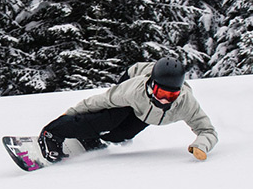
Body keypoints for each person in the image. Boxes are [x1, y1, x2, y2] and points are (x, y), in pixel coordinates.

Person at [38, 57, 218, 163]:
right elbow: (100, 101)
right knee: (109, 118)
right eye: (160, 92)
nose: (164, 99)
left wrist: (200, 146)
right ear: (152, 86)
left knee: (122, 134)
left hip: (145, 113)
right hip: (134, 83)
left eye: (171, 95)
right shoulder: (134, 90)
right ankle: (52, 133)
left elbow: (208, 130)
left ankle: (90, 138)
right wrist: (70, 114)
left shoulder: (186, 104)